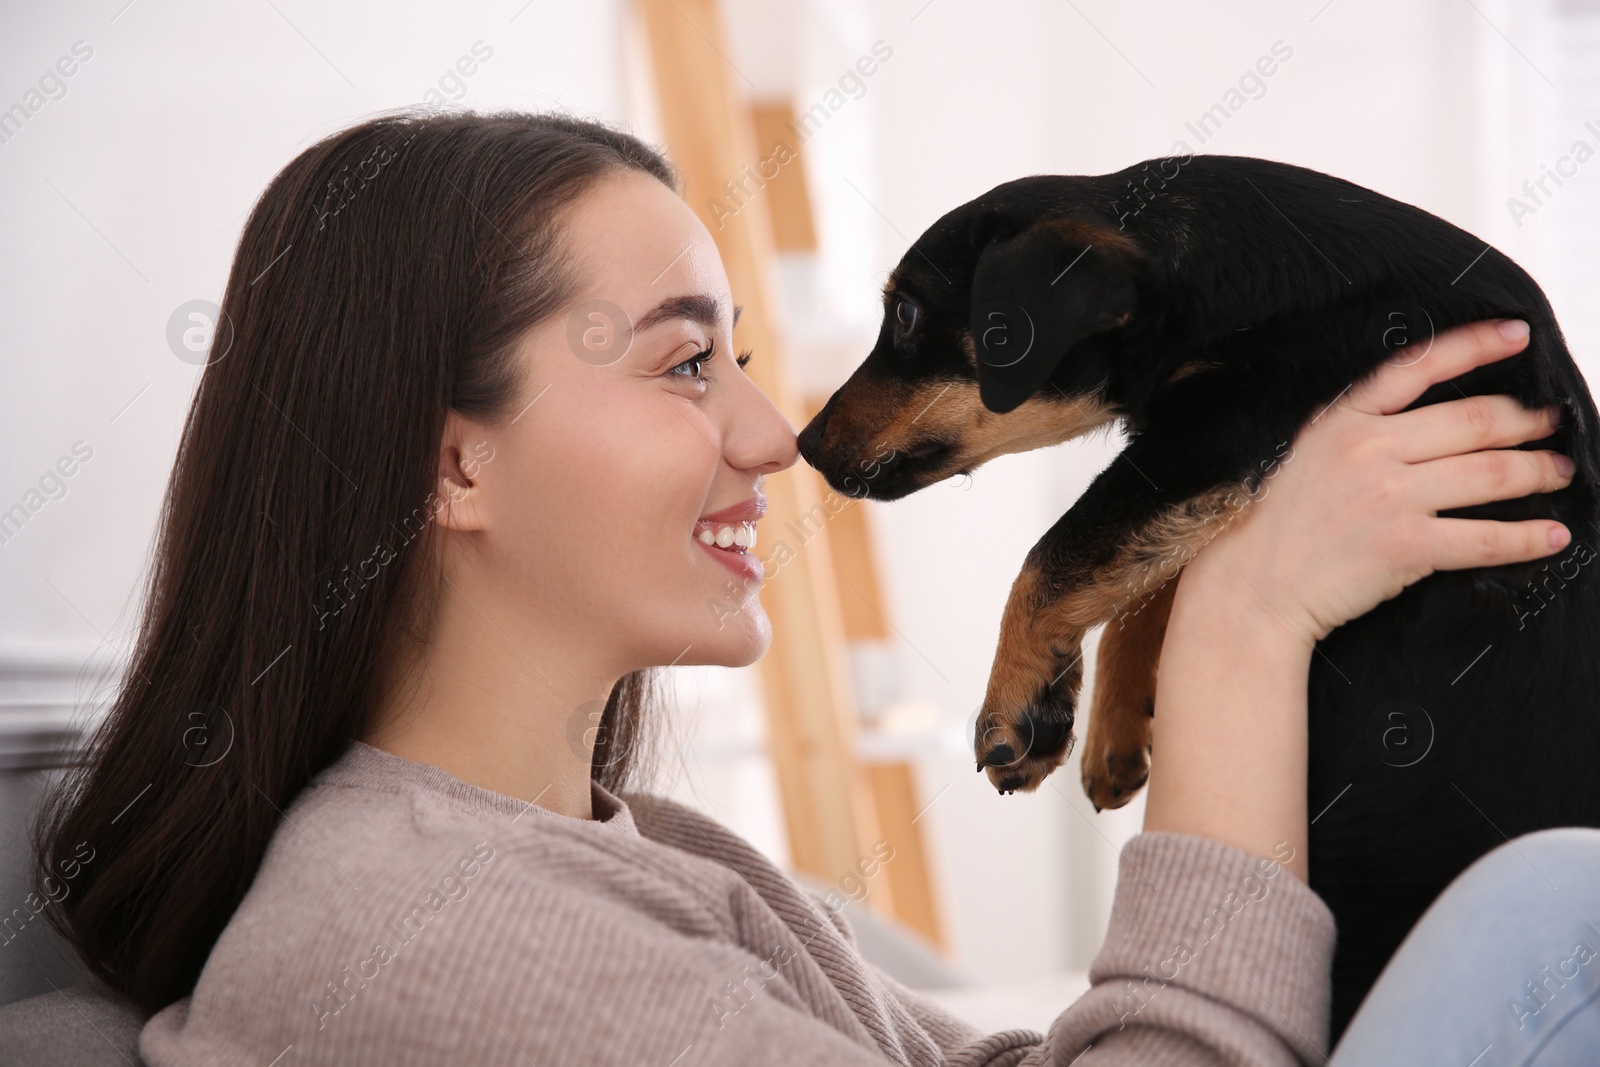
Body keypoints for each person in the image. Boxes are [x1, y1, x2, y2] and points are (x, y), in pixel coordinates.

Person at [30, 108, 1599, 1066]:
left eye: (747, 360)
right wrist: (1245, 621)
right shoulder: (429, 935)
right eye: (683, 362)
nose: (776, 434)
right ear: (452, 467)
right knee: (1557, 918)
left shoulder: (618, 859)